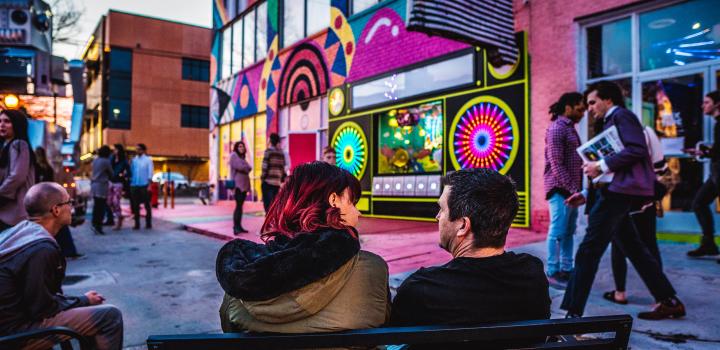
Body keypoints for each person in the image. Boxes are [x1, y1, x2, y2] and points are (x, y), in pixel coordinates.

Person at [217, 161, 389, 333]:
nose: (358, 212)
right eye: (353, 202)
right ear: (334, 200)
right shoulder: (372, 270)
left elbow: (228, 327)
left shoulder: (239, 274)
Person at [562, 81, 685, 320]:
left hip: (616, 196)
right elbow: (617, 168)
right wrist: (587, 194)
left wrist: (599, 165)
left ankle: (572, 315)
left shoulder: (621, 115)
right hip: (615, 193)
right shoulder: (612, 120)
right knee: (634, 249)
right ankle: (668, 301)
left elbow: (637, 149)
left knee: (588, 251)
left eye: (592, 102)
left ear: (608, 100)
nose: (589, 108)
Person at [390, 168, 550, 328]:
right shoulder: (532, 275)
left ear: (463, 225)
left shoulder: (420, 290)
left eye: (442, 209)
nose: (437, 216)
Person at [0, 182, 123, 349]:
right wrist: (83, 300)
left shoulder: (20, 232)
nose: (72, 207)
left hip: (12, 324)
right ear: (56, 210)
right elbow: (42, 309)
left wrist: (81, 301)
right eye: (69, 202)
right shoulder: (41, 248)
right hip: (16, 334)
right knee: (110, 317)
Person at [543, 92, 585, 289]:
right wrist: (574, 188)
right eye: (580, 108)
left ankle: (567, 269)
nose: (583, 112)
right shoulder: (557, 129)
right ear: (568, 107)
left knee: (568, 231)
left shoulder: (570, 128)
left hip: (570, 190)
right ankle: (552, 272)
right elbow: (556, 164)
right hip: (559, 189)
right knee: (557, 232)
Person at [686, 90, 720, 258]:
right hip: (716, 174)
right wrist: (703, 152)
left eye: (707, 102)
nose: (703, 105)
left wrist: (705, 151)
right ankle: (709, 244)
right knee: (699, 203)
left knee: (699, 203)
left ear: (717, 104)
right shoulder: (717, 123)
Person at [35, 146, 82, 258]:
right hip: (51, 199)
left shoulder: (36, 168)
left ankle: (62, 250)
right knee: (59, 225)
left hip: (41, 201)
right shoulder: (48, 168)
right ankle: (68, 250)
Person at [0, 109, 35, 231]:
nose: (2, 125)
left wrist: (1, 192)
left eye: (7, 121)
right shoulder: (6, 145)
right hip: (8, 209)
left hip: (14, 209)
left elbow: (17, 176)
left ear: (17, 124)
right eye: (0, 121)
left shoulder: (19, 144)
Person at [129, 143, 153, 230]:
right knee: (135, 205)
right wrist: (130, 164)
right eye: (136, 149)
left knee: (147, 204)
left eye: (139, 149)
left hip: (144, 185)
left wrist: (149, 185)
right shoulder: (134, 160)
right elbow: (131, 172)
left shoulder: (148, 160)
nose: (137, 150)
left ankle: (148, 223)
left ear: (143, 150)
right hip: (134, 185)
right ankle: (137, 224)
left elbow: (150, 173)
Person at [229, 140, 251, 235]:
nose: (241, 148)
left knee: (240, 206)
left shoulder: (242, 157)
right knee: (238, 206)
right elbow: (242, 167)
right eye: (239, 147)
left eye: (242, 146)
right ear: (236, 148)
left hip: (244, 186)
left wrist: (246, 167)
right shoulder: (234, 155)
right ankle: (235, 227)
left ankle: (239, 226)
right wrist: (246, 167)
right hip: (238, 186)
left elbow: (249, 167)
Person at [91, 146, 114, 235]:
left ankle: (94, 223)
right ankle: (98, 226)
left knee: (96, 206)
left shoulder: (95, 160)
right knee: (101, 207)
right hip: (102, 185)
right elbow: (111, 173)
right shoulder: (106, 161)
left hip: (94, 185)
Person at [260, 133, 286, 212]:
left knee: (267, 205)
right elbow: (282, 167)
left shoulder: (268, 151)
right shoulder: (281, 153)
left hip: (268, 181)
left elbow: (265, 166)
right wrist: (281, 179)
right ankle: (273, 222)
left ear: (270, 140)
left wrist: (262, 177)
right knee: (274, 204)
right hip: (277, 182)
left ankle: (268, 222)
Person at [108, 144, 130, 230]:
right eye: (114, 149)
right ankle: (118, 216)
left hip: (118, 183)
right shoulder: (111, 158)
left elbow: (129, 172)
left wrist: (122, 175)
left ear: (119, 150)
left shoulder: (124, 161)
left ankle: (119, 220)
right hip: (110, 182)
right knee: (109, 202)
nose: (114, 151)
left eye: (116, 149)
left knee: (116, 201)